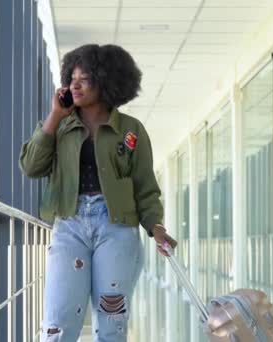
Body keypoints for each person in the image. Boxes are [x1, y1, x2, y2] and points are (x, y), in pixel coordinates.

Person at [19, 44, 177, 342]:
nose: (75, 84)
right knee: (57, 322)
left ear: (106, 80)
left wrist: (154, 226)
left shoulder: (131, 130)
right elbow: (30, 166)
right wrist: (54, 116)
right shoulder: (60, 126)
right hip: (70, 225)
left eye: (86, 78)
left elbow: (144, 186)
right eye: (72, 78)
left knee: (112, 323)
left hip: (116, 227)